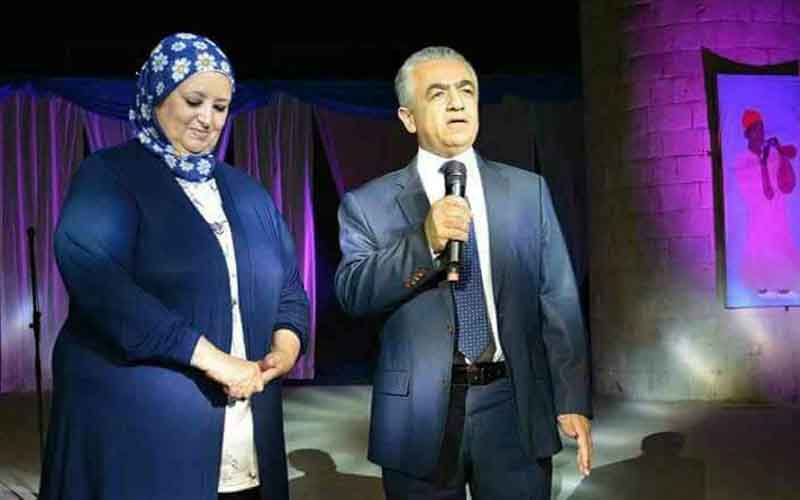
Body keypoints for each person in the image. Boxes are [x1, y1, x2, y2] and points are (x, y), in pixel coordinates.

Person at [40, 33, 308, 500]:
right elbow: (102, 285)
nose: (208, 118)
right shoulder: (109, 175)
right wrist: (213, 360)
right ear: (157, 96)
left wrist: (286, 347)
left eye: (220, 107)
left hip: (242, 422)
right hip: (140, 430)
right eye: (194, 101)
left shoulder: (246, 191)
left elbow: (288, 285)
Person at [335, 46, 592, 499]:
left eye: (466, 90)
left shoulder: (527, 191)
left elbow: (558, 299)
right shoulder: (368, 204)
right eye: (438, 94)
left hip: (513, 405)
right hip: (418, 414)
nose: (457, 103)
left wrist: (572, 397)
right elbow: (353, 293)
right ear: (408, 118)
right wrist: (425, 243)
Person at [733, 109, 800, 297]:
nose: (761, 133)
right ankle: (760, 284)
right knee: (760, 247)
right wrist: (762, 164)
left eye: (762, 128)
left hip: (778, 214)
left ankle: (785, 282)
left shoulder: (772, 155)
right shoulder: (742, 161)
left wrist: (780, 152)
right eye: (756, 129)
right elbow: (764, 193)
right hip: (759, 216)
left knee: (781, 245)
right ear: (747, 134)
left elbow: (788, 185)